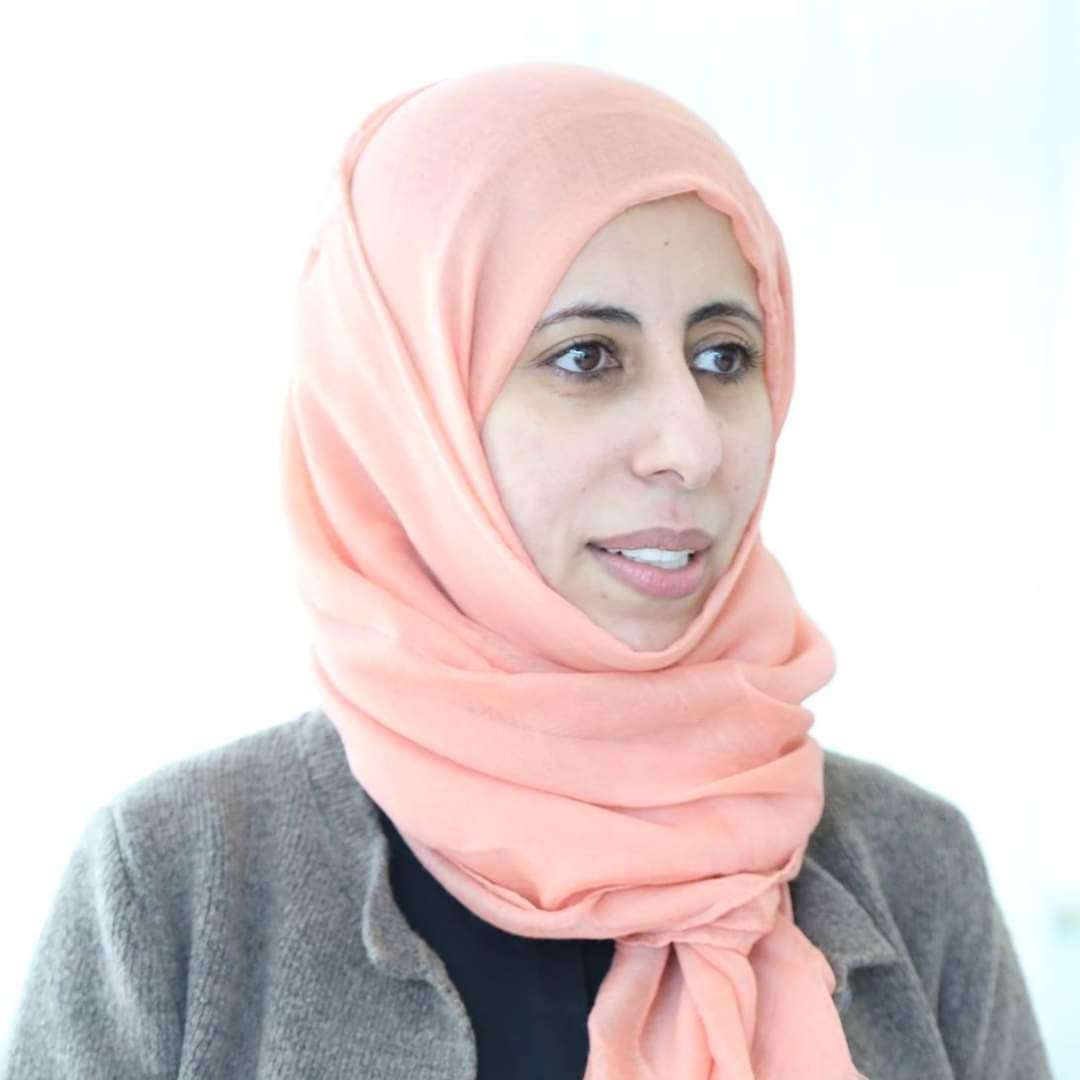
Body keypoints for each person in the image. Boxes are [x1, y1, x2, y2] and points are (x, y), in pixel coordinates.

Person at [1, 61, 1052, 1079]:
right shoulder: (182, 886)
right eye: (587, 356)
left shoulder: (914, 871)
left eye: (724, 356)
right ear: (409, 418)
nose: (689, 446)